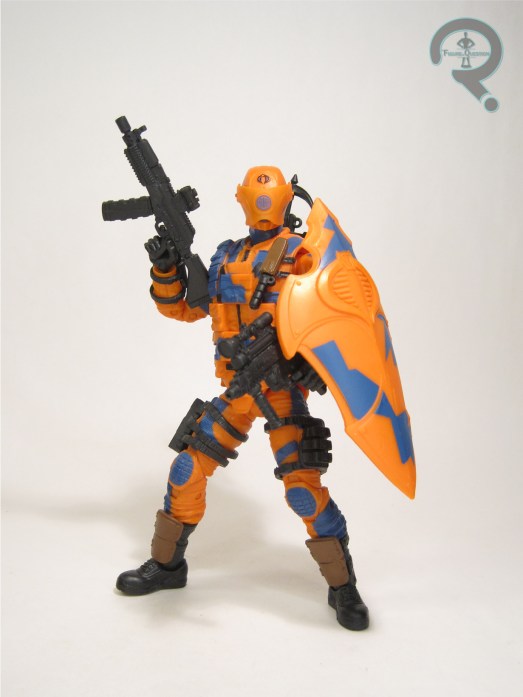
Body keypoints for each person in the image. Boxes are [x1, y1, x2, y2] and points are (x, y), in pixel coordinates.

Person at [115, 166, 370, 631]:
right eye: (255, 197)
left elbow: (337, 320)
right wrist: (166, 268)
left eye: (270, 197)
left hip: (282, 393)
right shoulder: (224, 257)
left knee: (302, 491)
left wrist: (308, 367)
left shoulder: (304, 255)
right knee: (186, 469)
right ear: (242, 200)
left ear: (287, 199)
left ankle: (343, 585)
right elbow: (183, 308)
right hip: (237, 391)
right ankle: (168, 566)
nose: (262, 206)